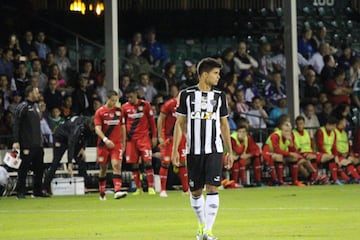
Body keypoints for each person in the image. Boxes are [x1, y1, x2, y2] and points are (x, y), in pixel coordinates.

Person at [171, 58, 233, 240]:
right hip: (193, 150)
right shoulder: (186, 95)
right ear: (205, 74)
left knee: (213, 187)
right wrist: (175, 149)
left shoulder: (220, 96)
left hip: (214, 148)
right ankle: (201, 226)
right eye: (215, 73)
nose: (218, 77)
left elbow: (224, 125)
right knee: (196, 191)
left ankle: (208, 231)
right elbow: (179, 123)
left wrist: (229, 150)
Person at [42, 115, 95, 195]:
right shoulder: (78, 127)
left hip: (72, 138)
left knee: (81, 160)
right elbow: (71, 143)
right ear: (91, 125)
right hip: (60, 137)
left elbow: (87, 136)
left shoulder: (87, 124)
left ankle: (83, 186)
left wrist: (83, 148)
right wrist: (70, 163)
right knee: (56, 162)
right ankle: (44, 188)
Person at [12, 85, 48, 198]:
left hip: (38, 144)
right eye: (36, 92)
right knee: (23, 168)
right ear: (30, 93)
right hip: (27, 144)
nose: (38, 94)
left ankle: (37, 191)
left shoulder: (37, 106)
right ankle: (20, 192)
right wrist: (16, 141)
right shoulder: (22, 106)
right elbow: (16, 124)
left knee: (39, 168)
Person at [121, 86, 157, 195]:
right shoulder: (124, 107)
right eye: (128, 97)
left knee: (147, 162)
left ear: (136, 94)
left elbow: (152, 122)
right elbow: (123, 125)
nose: (129, 99)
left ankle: (151, 187)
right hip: (131, 140)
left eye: (131, 97)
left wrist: (154, 136)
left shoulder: (145, 105)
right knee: (134, 165)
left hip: (144, 138)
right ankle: (138, 188)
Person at [94, 90, 127, 200]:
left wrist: (124, 143)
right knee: (103, 168)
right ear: (107, 99)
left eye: (116, 100)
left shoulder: (119, 111)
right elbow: (97, 129)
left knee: (116, 165)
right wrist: (105, 139)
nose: (114, 103)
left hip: (116, 144)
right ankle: (102, 192)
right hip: (104, 145)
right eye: (112, 100)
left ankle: (117, 190)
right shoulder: (100, 112)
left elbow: (123, 127)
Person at [157, 85, 188, 197]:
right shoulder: (170, 104)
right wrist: (160, 136)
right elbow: (161, 119)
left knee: (183, 162)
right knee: (166, 162)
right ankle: (163, 190)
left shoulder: (187, 106)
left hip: (182, 138)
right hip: (168, 138)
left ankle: (185, 190)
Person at [262, 121, 306, 186]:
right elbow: (276, 150)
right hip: (268, 153)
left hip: (280, 154)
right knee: (279, 157)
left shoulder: (290, 137)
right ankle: (280, 181)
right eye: (285, 131)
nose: (287, 133)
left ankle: (295, 181)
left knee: (293, 158)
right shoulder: (276, 136)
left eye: (289, 131)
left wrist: (291, 143)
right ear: (281, 131)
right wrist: (290, 153)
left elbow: (292, 151)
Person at [292, 116, 330, 185]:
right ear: (296, 124)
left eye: (301, 124)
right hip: (301, 153)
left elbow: (311, 145)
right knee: (310, 158)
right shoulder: (293, 133)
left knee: (330, 157)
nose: (300, 126)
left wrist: (313, 152)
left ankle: (317, 178)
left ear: (304, 124)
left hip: (310, 152)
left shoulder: (307, 132)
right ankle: (315, 177)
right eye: (298, 124)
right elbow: (295, 147)